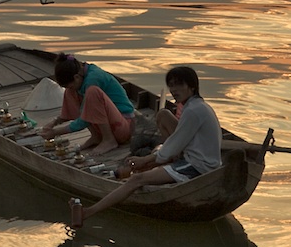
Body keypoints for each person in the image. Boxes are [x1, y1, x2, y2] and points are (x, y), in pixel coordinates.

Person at [73, 66, 222, 225]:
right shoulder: (198, 106)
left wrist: (146, 161)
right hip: (199, 161)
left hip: (198, 167)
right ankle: (161, 167)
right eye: (171, 85)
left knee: (136, 179)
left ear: (192, 86)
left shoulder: (193, 111)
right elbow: (175, 145)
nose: (173, 90)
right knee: (163, 114)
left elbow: (173, 146)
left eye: (179, 85)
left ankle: (87, 212)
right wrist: (156, 159)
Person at [40, 53, 135, 155]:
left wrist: (55, 132)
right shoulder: (81, 76)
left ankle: (109, 140)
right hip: (110, 125)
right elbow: (83, 112)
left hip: (123, 127)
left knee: (92, 92)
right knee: (70, 91)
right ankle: (97, 137)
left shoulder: (93, 80)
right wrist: (54, 122)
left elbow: (85, 119)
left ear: (76, 77)